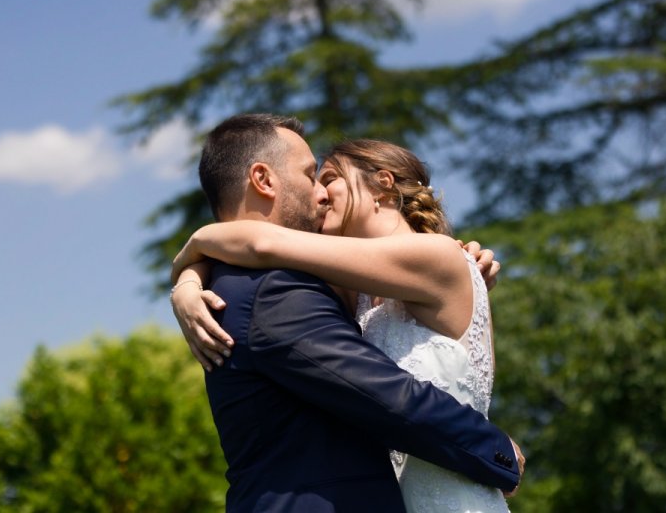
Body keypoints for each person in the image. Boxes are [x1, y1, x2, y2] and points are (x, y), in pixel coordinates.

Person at [169, 113, 522, 512]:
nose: (320, 193)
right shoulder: (272, 290)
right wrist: (496, 448)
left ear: (384, 185)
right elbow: (387, 397)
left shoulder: (402, 272)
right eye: (310, 175)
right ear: (264, 179)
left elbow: (260, 242)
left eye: (329, 178)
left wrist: (190, 264)